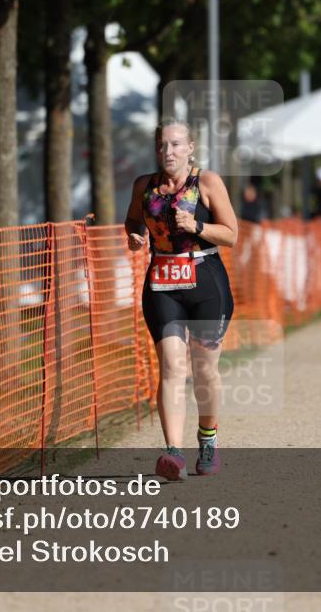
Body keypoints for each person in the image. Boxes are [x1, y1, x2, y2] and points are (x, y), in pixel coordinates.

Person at [124, 119, 238, 481]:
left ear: (190, 148)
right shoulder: (144, 186)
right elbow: (131, 222)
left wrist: (198, 227)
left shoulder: (207, 183)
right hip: (162, 282)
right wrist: (135, 237)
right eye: (161, 146)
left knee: (204, 370)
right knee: (172, 366)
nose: (167, 152)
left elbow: (232, 234)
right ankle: (173, 453)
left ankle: (208, 438)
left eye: (175, 145)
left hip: (205, 279)